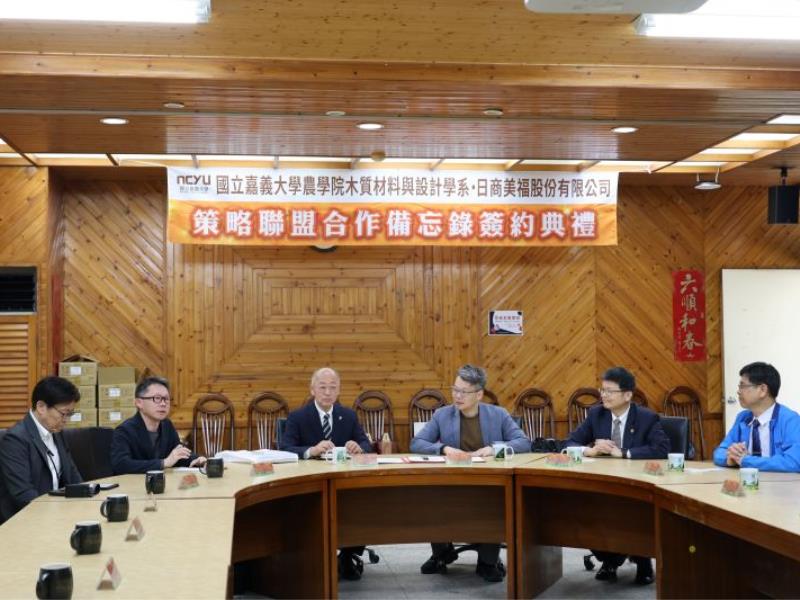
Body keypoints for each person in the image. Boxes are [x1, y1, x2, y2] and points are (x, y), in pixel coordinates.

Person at [410, 364, 530, 583]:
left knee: (496, 502)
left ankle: (487, 561)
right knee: (431, 497)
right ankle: (441, 554)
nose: (457, 396)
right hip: (451, 483)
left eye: (463, 392)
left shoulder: (498, 414)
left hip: (489, 483)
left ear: (479, 394)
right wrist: (444, 449)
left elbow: (523, 442)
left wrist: (493, 449)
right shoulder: (442, 415)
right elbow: (417, 443)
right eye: (455, 389)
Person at [566, 366, 669, 586]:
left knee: (634, 512)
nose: (603, 395)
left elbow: (661, 449)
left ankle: (642, 559)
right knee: (586, 511)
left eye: (609, 391)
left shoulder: (646, 417)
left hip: (637, 484)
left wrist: (624, 453)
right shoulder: (596, 414)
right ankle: (610, 559)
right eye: (602, 390)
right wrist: (589, 450)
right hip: (602, 483)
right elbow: (570, 442)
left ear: (627, 395)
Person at [279, 367, 372, 580]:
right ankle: (313, 556)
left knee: (361, 504)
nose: (328, 392)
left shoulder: (348, 416)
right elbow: (285, 448)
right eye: (322, 387)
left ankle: (348, 555)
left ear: (338, 391)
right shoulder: (298, 417)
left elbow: (366, 444)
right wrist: (311, 450)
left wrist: (358, 447)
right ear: (313, 390)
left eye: (332, 388)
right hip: (309, 485)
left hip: (344, 483)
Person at [0, 376, 84, 523]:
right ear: (41, 407)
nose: (66, 420)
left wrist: (86, 498)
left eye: (70, 414)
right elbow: (23, 494)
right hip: (26, 521)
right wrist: (55, 517)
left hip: (57, 513)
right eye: (64, 413)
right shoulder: (15, 439)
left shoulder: (56, 431)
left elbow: (72, 475)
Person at [713, 361, 800, 472]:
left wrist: (746, 460)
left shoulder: (790, 420)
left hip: (781, 482)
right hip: (747, 480)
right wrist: (730, 458)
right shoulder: (743, 418)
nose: (738, 391)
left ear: (763, 390)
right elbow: (720, 452)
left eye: (742, 386)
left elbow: (794, 462)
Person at [111, 376, 206, 474]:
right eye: (157, 398)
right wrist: (163, 463)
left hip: (160, 482)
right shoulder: (124, 431)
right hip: (132, 483)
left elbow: (178, 454)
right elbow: (120, 465)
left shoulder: (167, 425)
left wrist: (197, 459)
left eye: (166, 399)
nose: (163, 404)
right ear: (139, 403)